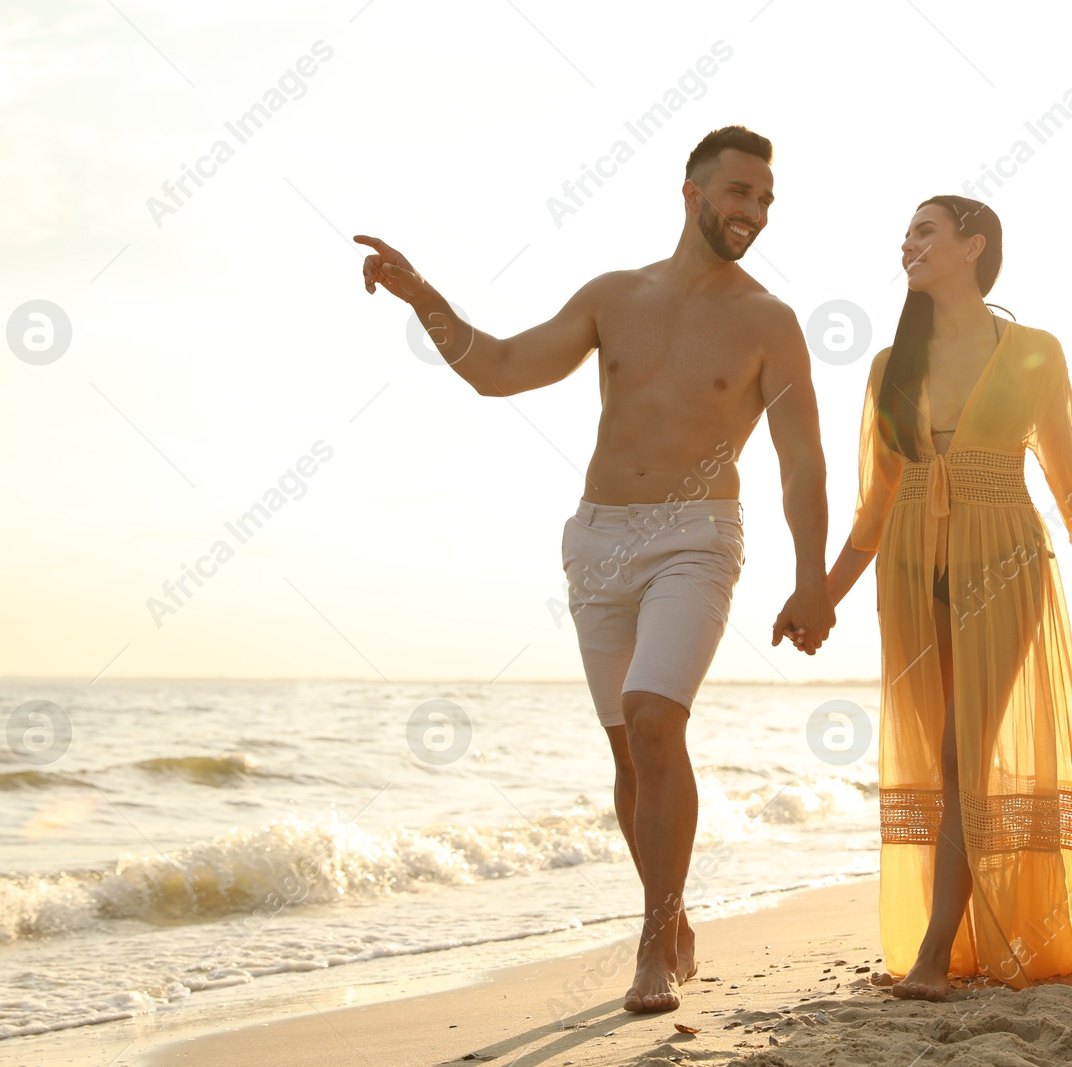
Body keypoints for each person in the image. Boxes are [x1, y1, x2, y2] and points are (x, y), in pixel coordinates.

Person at [353, 126, 833, 1013]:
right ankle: (672, 910)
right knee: (627, 744)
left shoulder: (768, 319)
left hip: (699, 534)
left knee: (655, 721)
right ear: (691, 192)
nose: (754, 213)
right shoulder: (614, 296)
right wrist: (424, 296)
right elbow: (497, 370)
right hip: (598, 539)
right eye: (739, 193)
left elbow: (803, 458)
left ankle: (654, 946)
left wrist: (814, 579)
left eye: (766, 200)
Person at [805, 194, 1072, 999]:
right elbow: (872, 507)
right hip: (909, 560)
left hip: (1004, 557)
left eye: (924, 231)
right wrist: (822, 598)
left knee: (965, 752)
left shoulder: (1035, 351)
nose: (908, 245)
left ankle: (936, 952)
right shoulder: (886, 366)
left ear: (974, 247)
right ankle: (953, 937)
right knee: (939, 758)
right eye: (903, 236)